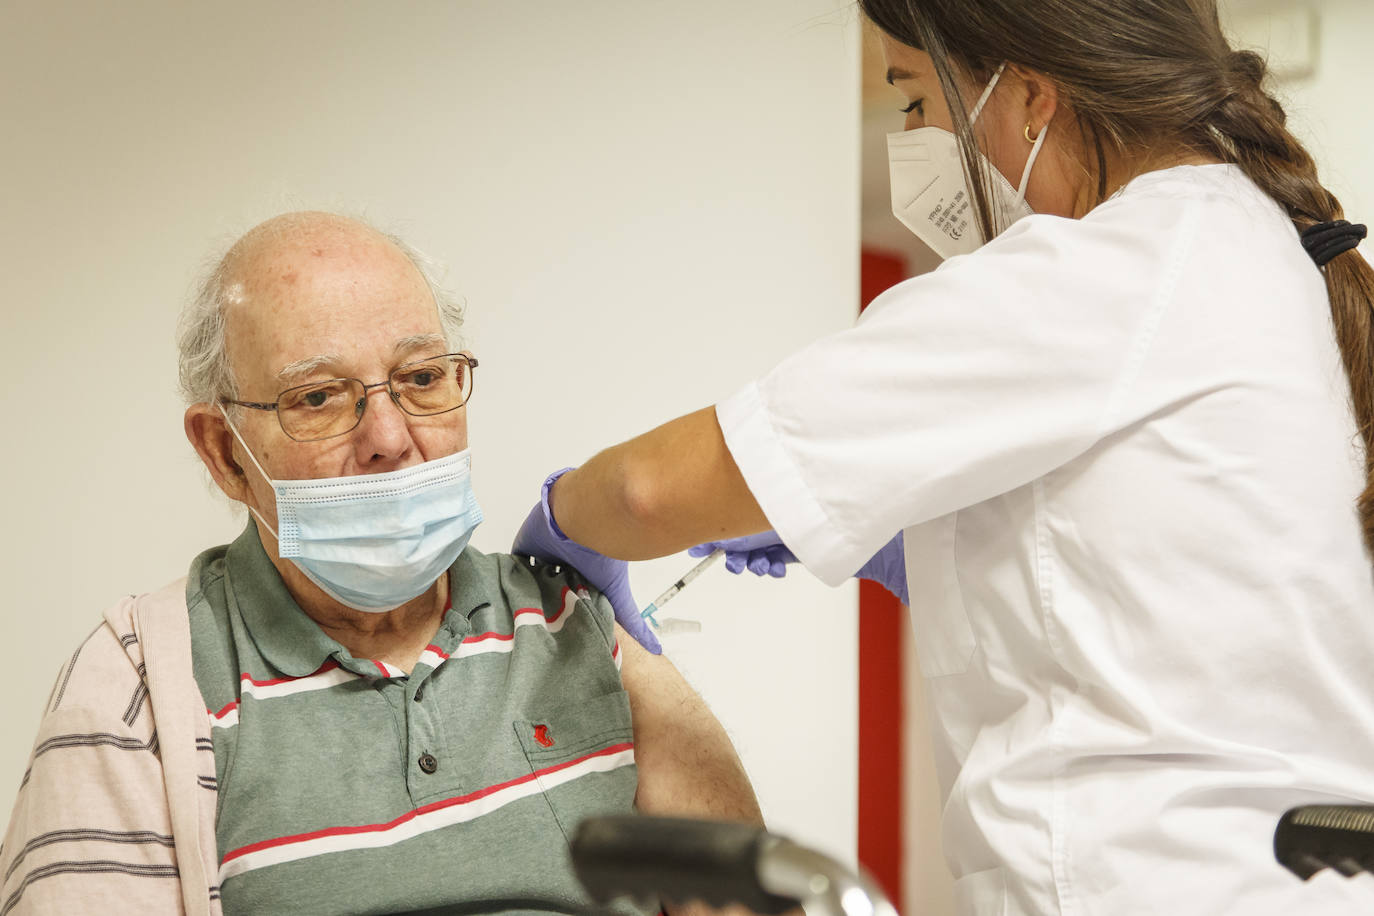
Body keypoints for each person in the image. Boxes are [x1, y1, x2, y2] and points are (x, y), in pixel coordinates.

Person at [513, 1, 1374, 913]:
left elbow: (649, 493)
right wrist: (951, 550)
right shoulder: (1256, 254)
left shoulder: (1097, 274)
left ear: (1031, 93)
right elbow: (1178, 580)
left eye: (918, 102)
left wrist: (566, 521)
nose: (916, 138)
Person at [0, 212, 762, 916]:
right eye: (322, 397)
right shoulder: (140, 683)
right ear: (225, 451)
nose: (390, 436)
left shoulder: (576, 625)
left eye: (423, 378)